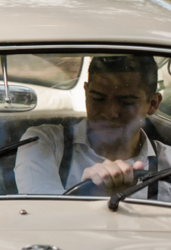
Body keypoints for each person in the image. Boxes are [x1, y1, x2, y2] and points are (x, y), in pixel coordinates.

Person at [15, 55, 171, 200]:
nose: (110, 113)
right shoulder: (44, 142)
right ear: (86, 93)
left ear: (153, 104)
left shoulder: (168, 163)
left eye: (127, 102)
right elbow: (42, 214)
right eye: (98, 99)